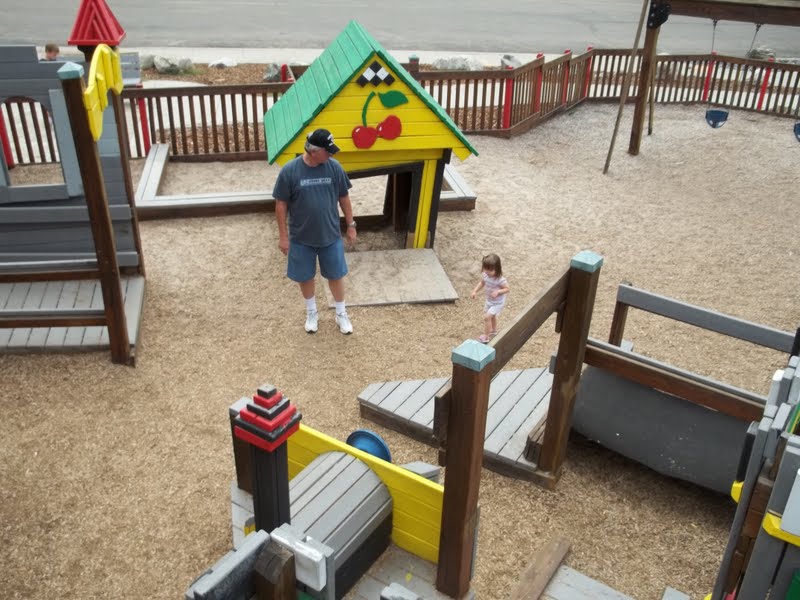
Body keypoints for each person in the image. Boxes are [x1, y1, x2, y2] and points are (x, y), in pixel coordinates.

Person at [273, 128, 357, 335]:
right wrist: (283, 236)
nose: (331, 154)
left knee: (336, 275)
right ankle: (312, 312)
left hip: (330, 235)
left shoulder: (334, 168)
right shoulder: (289, 171)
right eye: (328, 151)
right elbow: (281, 204)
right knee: (305, 276)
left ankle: (341, 313)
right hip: (301, 238)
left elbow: (344, 197)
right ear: (313, 151)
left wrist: (351, 225)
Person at [470, 253, 509, 343]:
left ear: (497, 269)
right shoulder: (485, 275)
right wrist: (475, 291)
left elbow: (507, 289)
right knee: (492, 317)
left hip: (498, 303)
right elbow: (482, 283)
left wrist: (498, 292)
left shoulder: (500, 280)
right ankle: (493, 330)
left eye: (490, 270)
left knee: (487, 317)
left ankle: (486, 336)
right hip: (489, 301)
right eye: (485, 269)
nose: (487, 272)